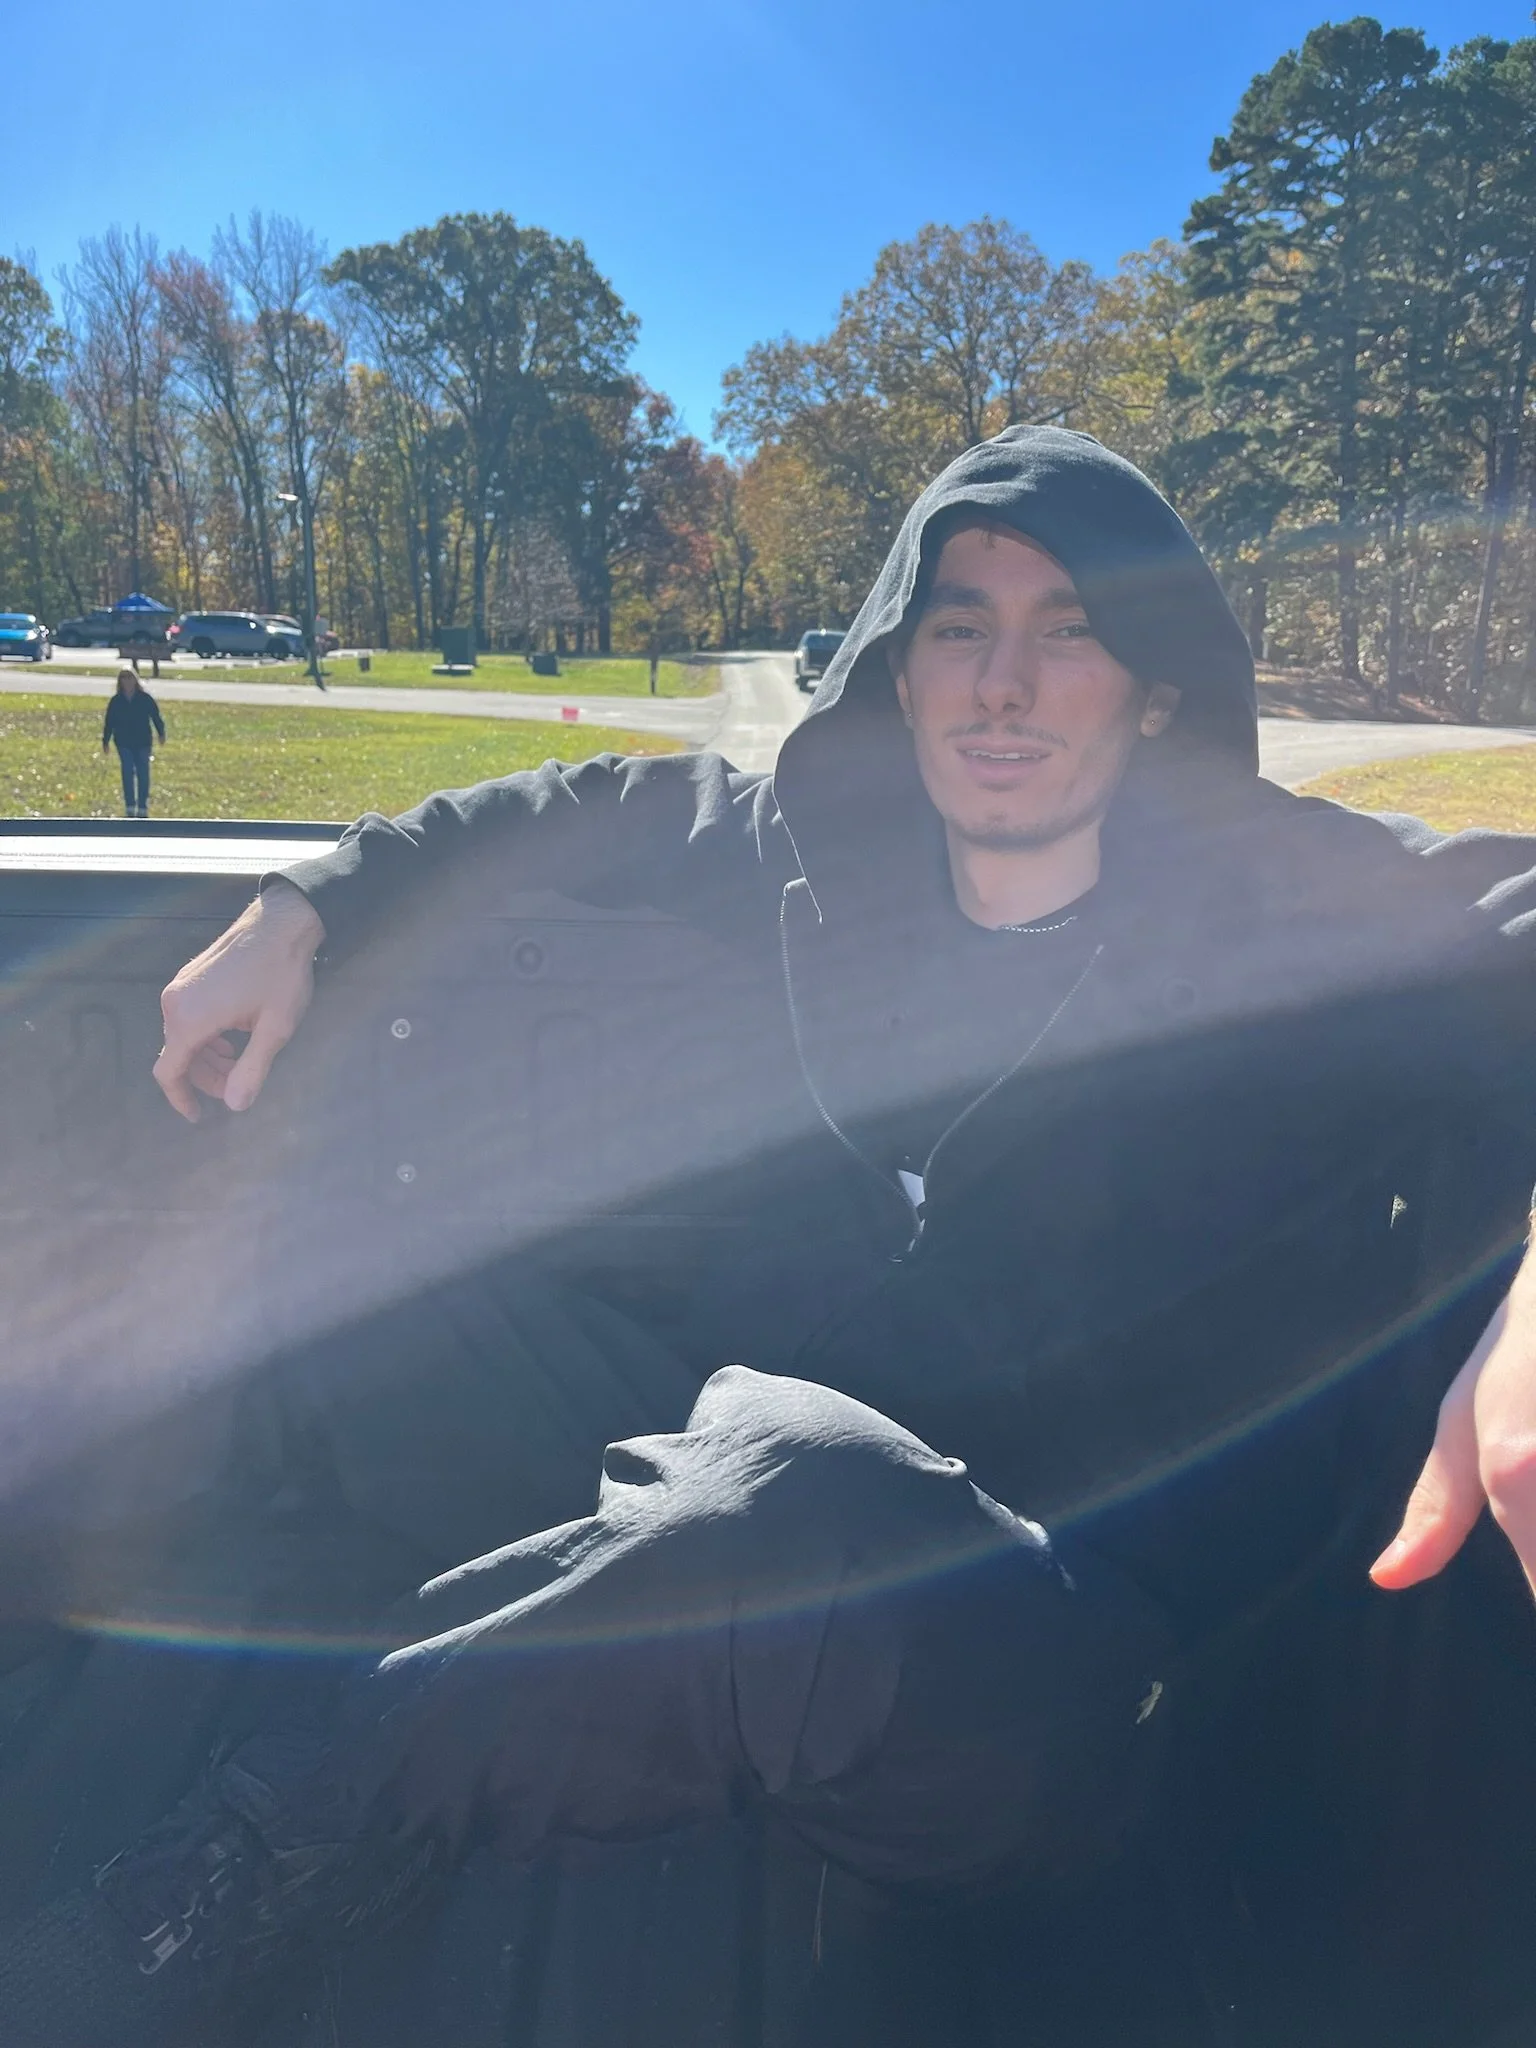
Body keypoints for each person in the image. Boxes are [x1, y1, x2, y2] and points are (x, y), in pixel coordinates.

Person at [9, 427, 1536, 2047]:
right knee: (354, 1276)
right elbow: (570, 804)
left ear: (1153, 683)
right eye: (959, 624)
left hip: (1092, 1697)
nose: (1001, 682)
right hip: (794, 1571)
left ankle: (217, 1883)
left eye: (1067, 630)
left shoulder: (1282, 900)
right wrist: (313, 896)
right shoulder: (811, 853)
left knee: (777, 1494)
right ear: (899, 659)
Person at [101, 668, 165, 818]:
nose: (127, 682)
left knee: (143, 773)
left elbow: (156, 717)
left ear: (135, 680)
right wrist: (105, 740)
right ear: (120, 682)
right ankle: (130, 805)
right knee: (127, 771)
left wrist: (161, 733)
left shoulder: (145, 698)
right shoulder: (116, 701)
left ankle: (142, 806)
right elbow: (109, 722)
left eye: (130, 678)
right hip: (123, 741)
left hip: (143, 741)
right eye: (124, 678)